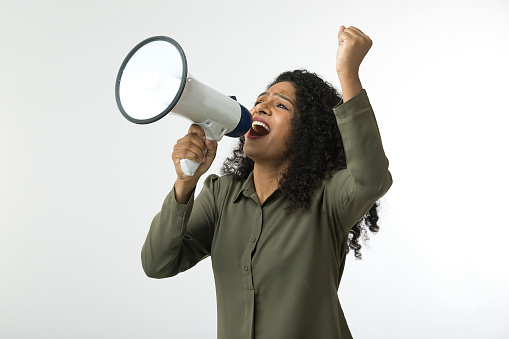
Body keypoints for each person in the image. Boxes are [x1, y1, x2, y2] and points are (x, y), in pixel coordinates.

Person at [141, 26, 392, 339]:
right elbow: (158, 263)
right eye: (259, 101)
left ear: (308, 132)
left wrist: (348, 74)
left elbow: (371, 178)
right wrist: (184, 184)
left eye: (281, 105)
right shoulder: (221, 196)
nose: (261, 107)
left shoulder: (328, 196)